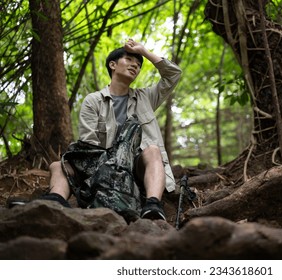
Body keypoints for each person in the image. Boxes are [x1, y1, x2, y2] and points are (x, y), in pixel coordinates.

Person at [42, 39, 182, 220]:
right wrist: (111, 164)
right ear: (112, 65)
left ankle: (153, 204)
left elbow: (173, 75)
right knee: (58, 165)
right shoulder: (93, 101)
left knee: (153, 150)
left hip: (136, 170)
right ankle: (55, 201)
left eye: (138, 65)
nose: (135, 65)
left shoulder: (145, 98)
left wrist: (144, 51)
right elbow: (87, 145)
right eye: (129, 60)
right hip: (101, 169)